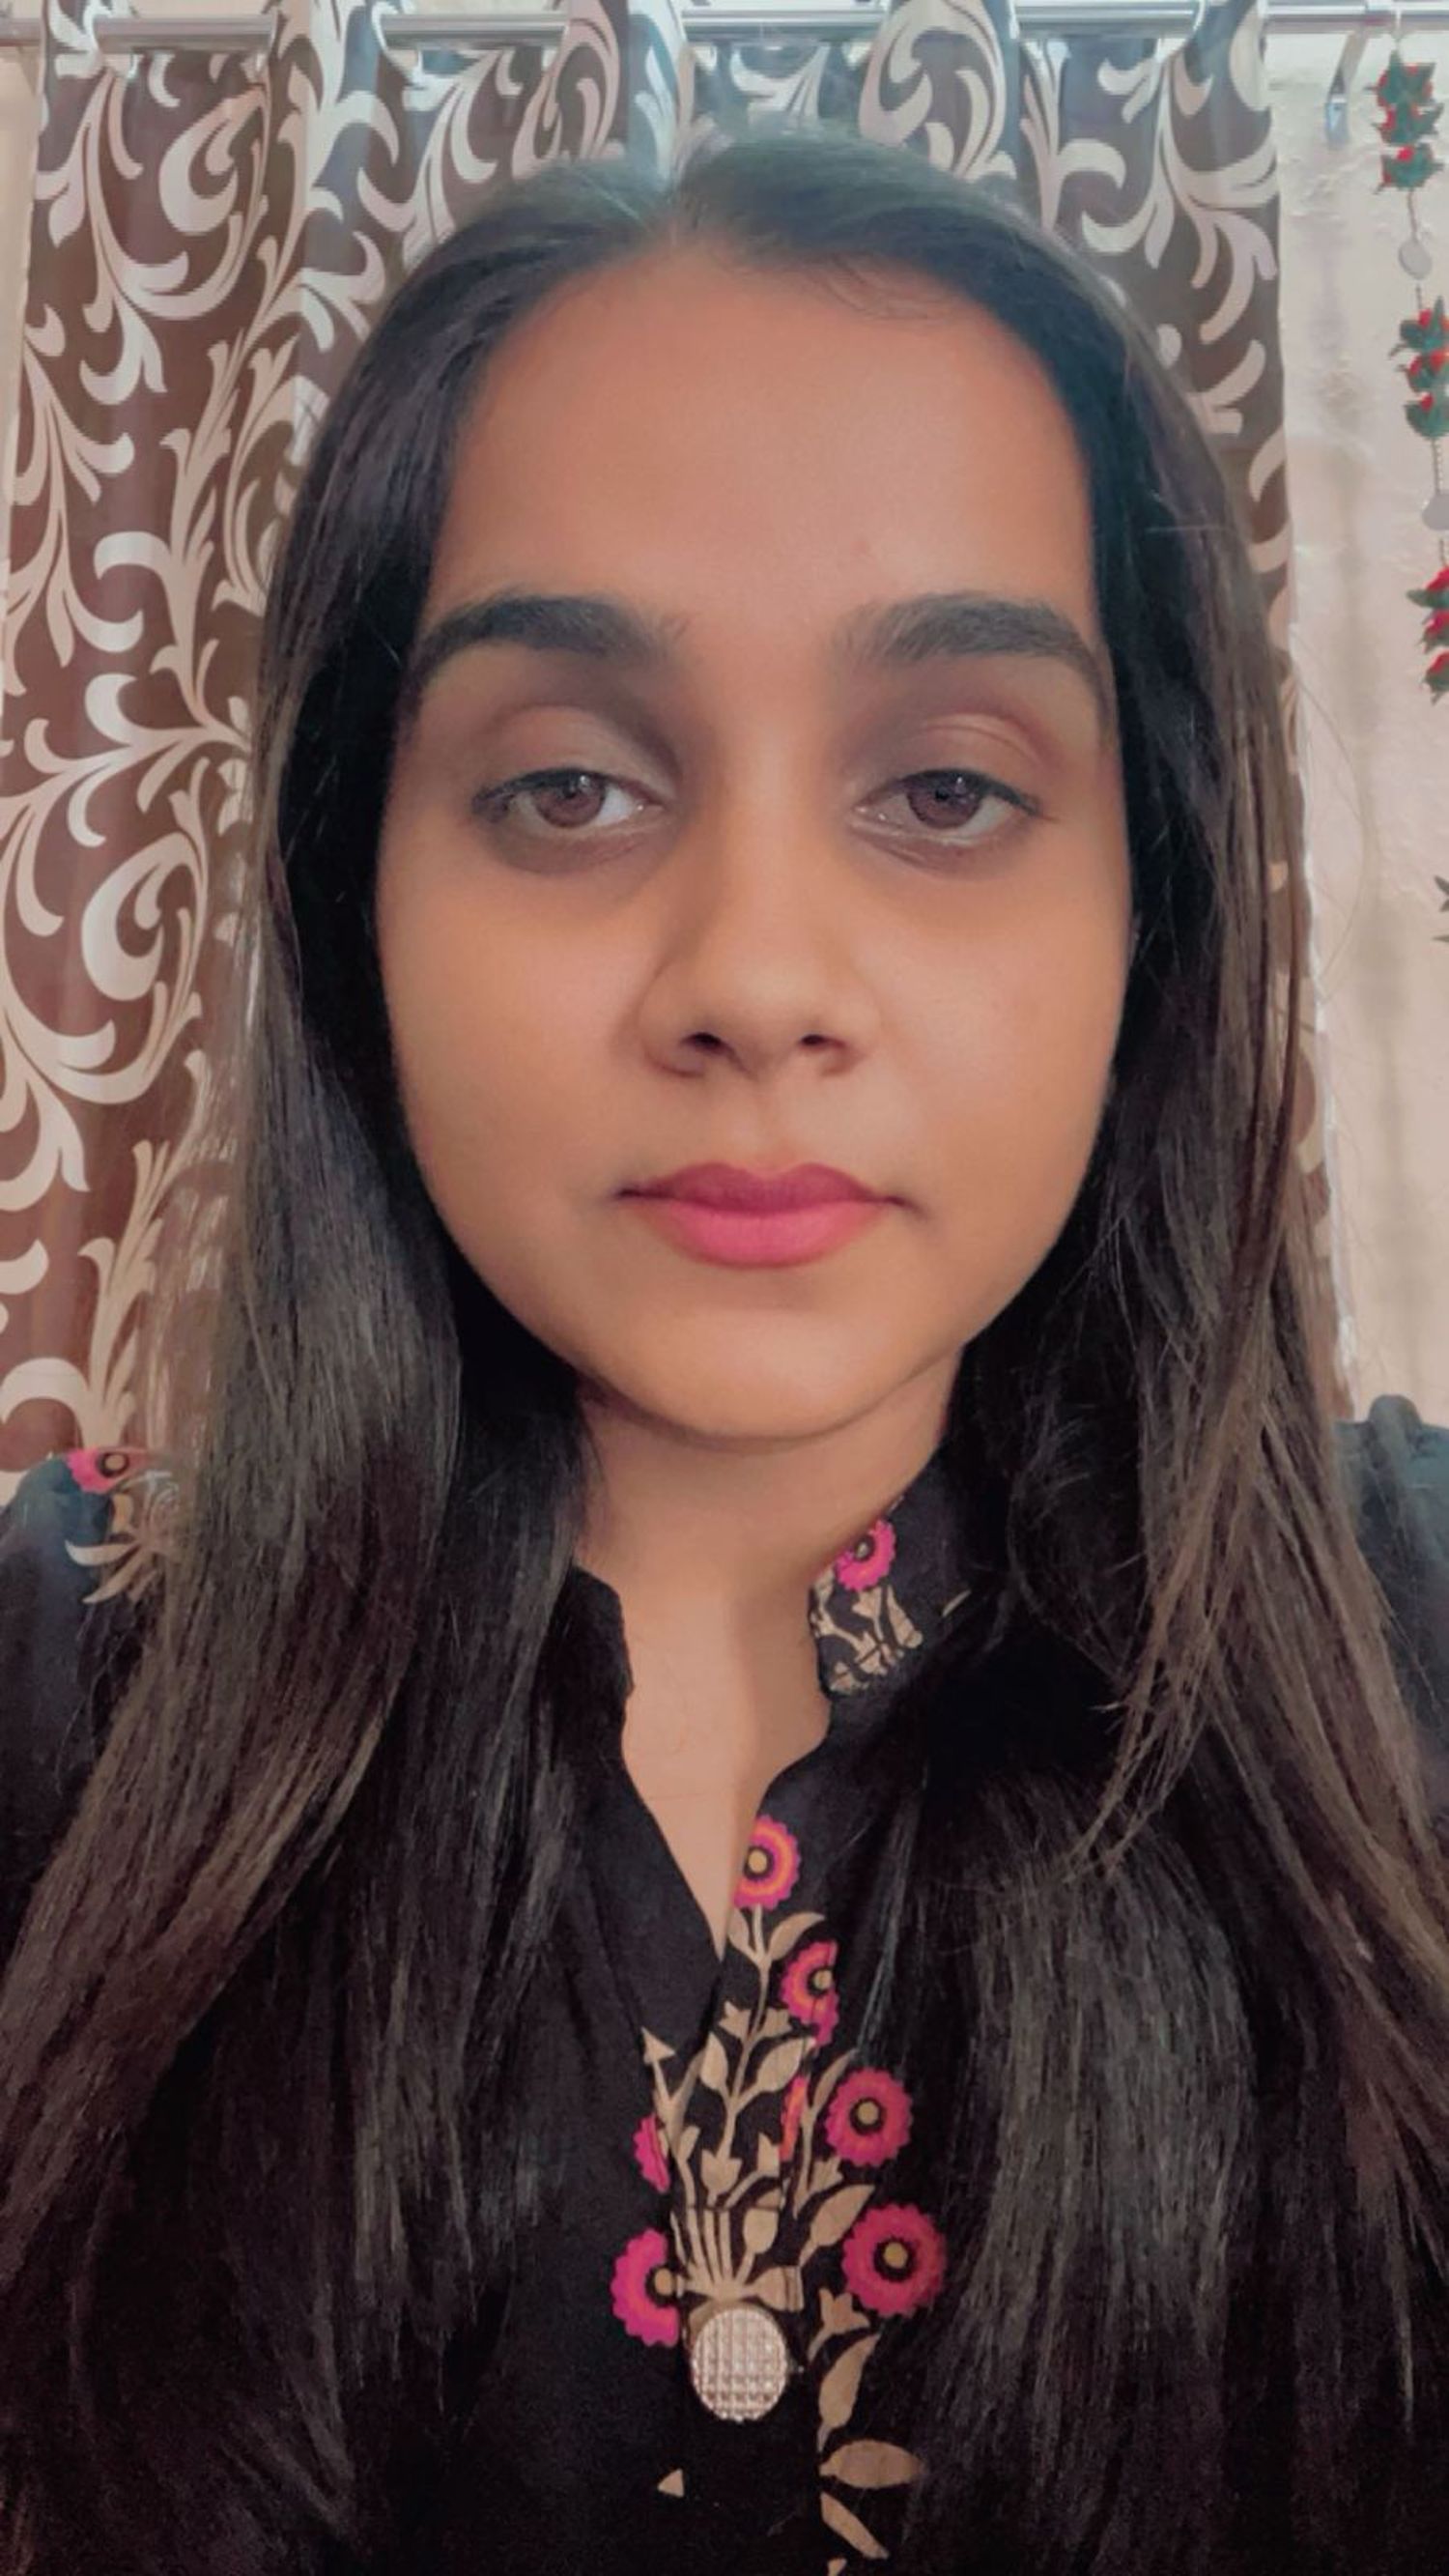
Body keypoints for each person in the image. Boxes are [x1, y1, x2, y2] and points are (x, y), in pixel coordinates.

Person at [0, 124, 1446, 2576]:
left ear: (1155, 908)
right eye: (566, 785)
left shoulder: (1404, 1653)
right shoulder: (61, 1702)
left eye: (950, 787)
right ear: (356, 896)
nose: (758, 977)